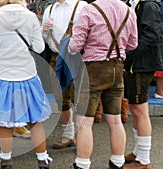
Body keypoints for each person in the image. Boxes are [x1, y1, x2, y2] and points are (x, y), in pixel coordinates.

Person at [0, 0, 53, 168]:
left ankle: (6, 160)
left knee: (5, 122)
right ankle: (42, 159)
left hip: (2, 73)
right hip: (27, 72)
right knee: (35, 120)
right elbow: (39, 47)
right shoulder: (30, 17)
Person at [68, 0, 138, 168]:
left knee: (85, 122)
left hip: (93, 70)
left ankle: (82, 164)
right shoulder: (129, 11)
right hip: (117, 68)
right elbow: (133, 44)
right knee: (115, 120)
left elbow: (74, 46)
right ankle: (117, 162)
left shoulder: (89, 10)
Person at [42, 0, 87, 149]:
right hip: (56, 57)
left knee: (81, 98)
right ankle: (68, 135)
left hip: (78, 58)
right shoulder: (49, 9)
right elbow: (43, 39)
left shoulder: (82, 6)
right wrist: (43, 30)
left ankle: (83, 138)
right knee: (61, 99)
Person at [123, 0, 163, 168]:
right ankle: (138, 152)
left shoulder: (148, 5)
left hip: (140, 65)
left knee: (140, 110)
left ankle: (144, 160)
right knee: (136, 109)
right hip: (137, 65)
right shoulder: (139, 4)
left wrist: (131, 54)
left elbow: (153, 35)